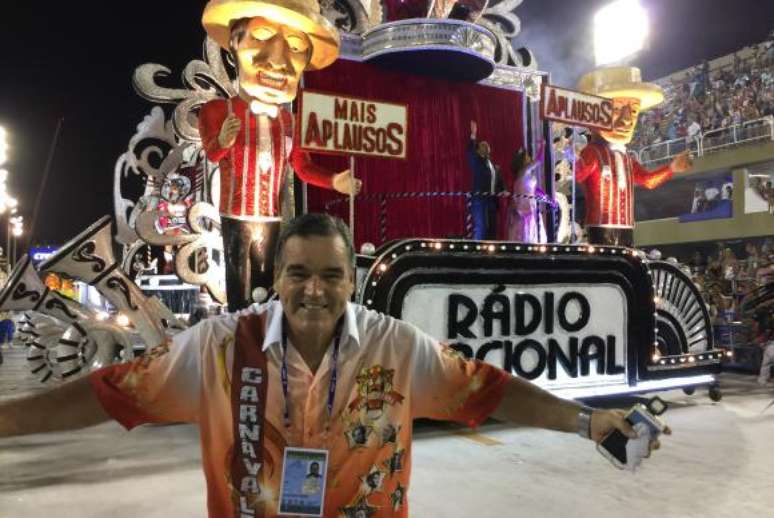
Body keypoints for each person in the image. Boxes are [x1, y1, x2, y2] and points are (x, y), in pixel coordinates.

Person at [0, 213, 668, 518]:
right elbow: (106, 395)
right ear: (277, 276)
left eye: (330, 275)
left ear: (352, 281)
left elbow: (493, 393)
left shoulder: (397, 347)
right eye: (298, 273)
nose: (313, 290)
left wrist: (587, 423)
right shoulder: (218, 347)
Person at [198, 0, 361, 311]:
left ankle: (264, 335)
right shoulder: (219, 110)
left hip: (272, 218)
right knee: (240, 285)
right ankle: (241, 335)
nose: (278, 60)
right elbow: (213, 155)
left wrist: (334, 181)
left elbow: (302, 166)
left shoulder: (291, 122)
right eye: (261, 36)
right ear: (235, 41)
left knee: (267, 283)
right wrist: (223, 140)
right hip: (236, 216)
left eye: (296, 46)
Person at [575, 67, 693, 246]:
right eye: (618, 110)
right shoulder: (592, 153)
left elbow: (647, 180)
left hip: (627, 227)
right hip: (600, 227)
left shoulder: (627, 158)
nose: (627, 120)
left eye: (632, 111)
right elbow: (575, 174)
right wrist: (568, 158)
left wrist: (671, 168)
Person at [467, 120, 504, 240]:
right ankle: (478, 251)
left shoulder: (493, 165)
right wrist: (473, 136)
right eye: (483, 145)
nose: (486, 146)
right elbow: (470, 152)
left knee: (492, 228)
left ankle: (491, 251)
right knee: (481, 227)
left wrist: (503, 190)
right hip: (480, 199)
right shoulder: (476, 162)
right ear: (478, 151)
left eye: (487, 145)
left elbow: (498, 181)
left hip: (492, 200)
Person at [506, 141, 546, 242]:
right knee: (523, 227)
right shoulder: (523, 171)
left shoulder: (529, 174)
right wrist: (542, 146)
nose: (529, 158)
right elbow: (539, 160)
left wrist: (546, 197)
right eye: (527, 156)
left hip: (530, 202)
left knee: (532, 226)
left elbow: (533, 189)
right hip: (522, 203)